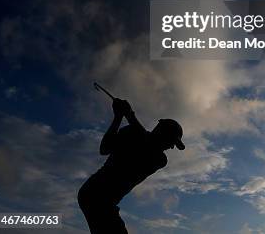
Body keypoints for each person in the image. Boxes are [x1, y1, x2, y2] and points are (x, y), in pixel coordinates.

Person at [78, 98, 185, 234]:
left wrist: (129, 115)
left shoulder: (160, 159)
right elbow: (104, 149)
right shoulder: (132, 132)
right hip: (95, 195)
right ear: (161, 132)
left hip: (102, 200)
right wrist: (118, 118)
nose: (171, 147)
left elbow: (147, 145)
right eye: (171, 141)